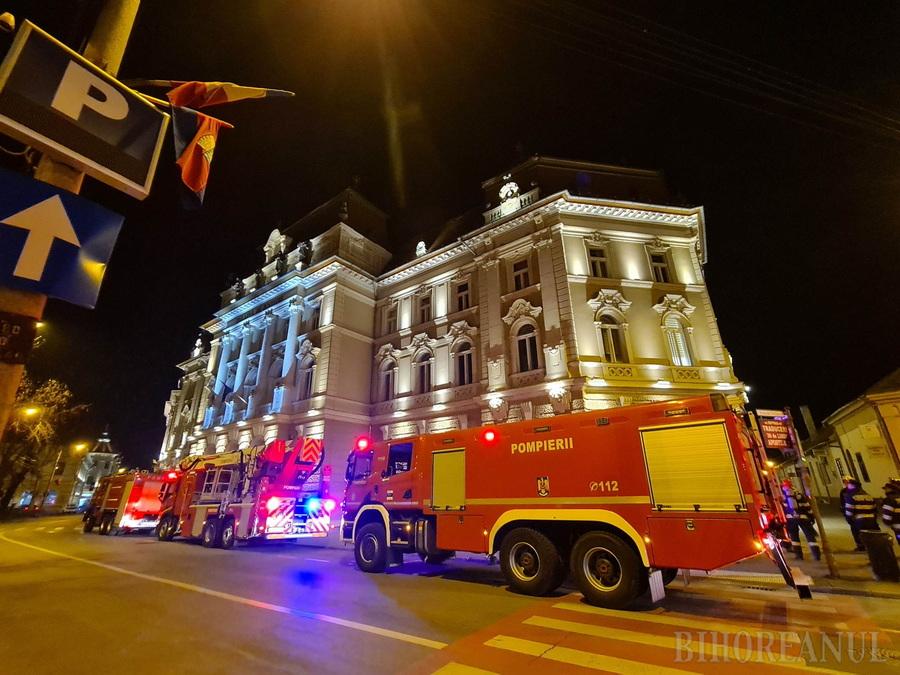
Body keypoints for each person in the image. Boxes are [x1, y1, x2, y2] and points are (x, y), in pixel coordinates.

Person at [781, 480, 820, 560]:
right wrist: (811, 517)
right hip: (803, 518)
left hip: (791, 519)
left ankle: (799, 555)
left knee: (794, 537)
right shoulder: (798, 494)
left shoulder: (783, 495)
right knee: (810, 536)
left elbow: (783, 509)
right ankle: (816, 555)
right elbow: (807, 506)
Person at [845, 478, 879, 551]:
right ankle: (874, 547)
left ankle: (861, 546)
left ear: (853, 486)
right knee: (872, 534)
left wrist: (849, 519)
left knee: (858, 533)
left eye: (849, 485)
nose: (847, 487)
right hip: (871, 519)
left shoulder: (851, 496)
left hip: (858, 519)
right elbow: (874, 508)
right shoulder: (868, 495)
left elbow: (849, 510)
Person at [882, 478, 900, 546]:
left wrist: (887, 523)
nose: (885, 491)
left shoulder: (889, 499)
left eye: (886, 489)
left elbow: (887, 514)